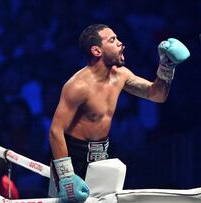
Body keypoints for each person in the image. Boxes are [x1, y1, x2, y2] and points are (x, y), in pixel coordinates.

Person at [49, 23, 190, 202]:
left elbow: (156, 95)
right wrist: (67, 176)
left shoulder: (120, 75)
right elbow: (56, 131)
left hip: (103, 156)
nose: (120, 43)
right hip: (73, 158)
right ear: (96, 51)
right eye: (112, 40)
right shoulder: (78, 86)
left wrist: (166, 67)